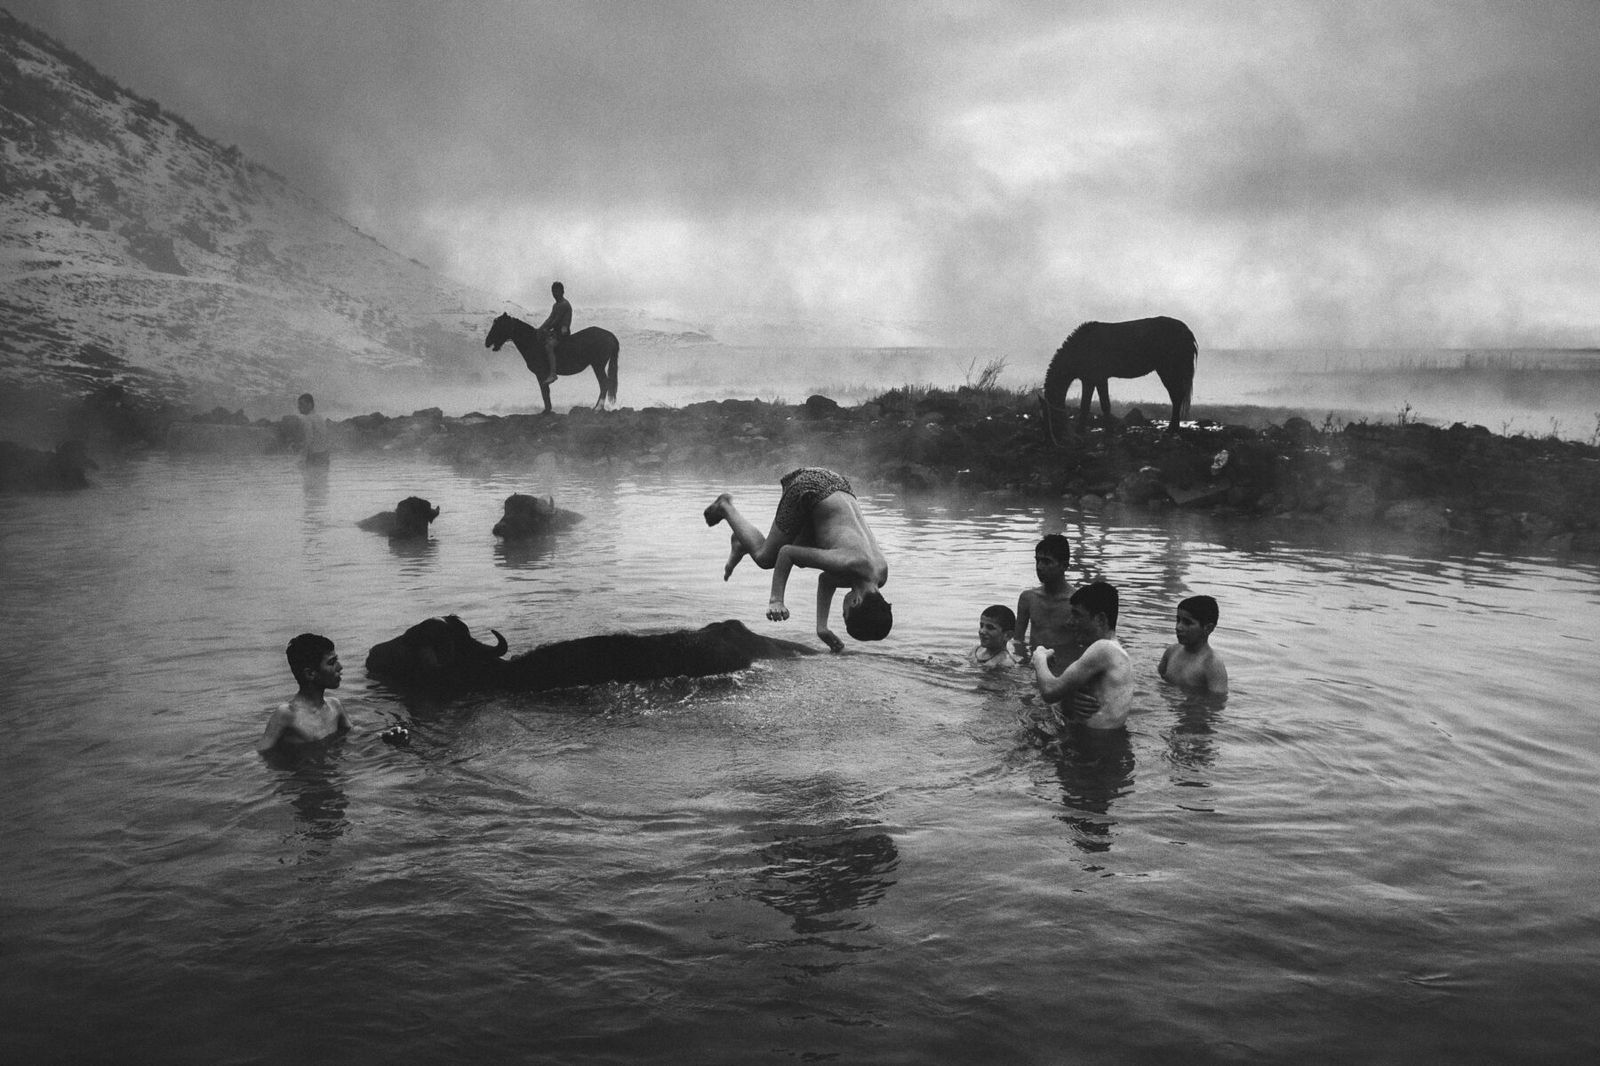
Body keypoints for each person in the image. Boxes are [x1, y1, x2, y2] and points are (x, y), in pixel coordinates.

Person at [704, 467, 891, 652]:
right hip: (809, 489)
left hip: (839, 487)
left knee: (802, 556)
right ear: (856, 602)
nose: (841, 610)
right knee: (767, 558)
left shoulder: (880, 574)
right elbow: (787, 553)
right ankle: (725, 507)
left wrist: (822, 628)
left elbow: (826, 580)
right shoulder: (848, 562)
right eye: (844, 613)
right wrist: (776, 600)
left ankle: (743, 540)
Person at [1029, 580, 1134, 731]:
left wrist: (1039, 656)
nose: (1070, 622)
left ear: (1100, 619)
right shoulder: (1115, 651)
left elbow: (1050, 691)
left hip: (1094, 748)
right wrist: (1067, 699)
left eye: (1077, 615)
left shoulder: (1103, 649)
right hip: (1100, 744)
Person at [257, 634, 351, 752]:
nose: (340, 667)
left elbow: (355, 735)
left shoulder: (335, 706)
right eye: (332, 662)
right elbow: (260, 753)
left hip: (333, 768)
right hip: (304, 768)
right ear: (310, 674)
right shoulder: (287, 714)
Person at [1012, 534, 1077, 662]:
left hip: (1065, 666)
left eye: (1047, 562)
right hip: (1035, 664)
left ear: (1064, 565)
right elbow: (1018, 640)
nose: (1039, 567)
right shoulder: (1028, 598)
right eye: (1038, 560)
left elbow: (1087, 644)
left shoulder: (1077, 602)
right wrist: (1023, 665)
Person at [1158, 594, 1229, 694]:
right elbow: (1158, 681)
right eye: (1178, 620)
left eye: (1187, 623)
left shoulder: (1212, 665)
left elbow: (1217, 703)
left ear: (1208, 628)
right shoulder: (1171, 652)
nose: (1178, 627)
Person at [537, 281, 572, 387]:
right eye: (553, 291)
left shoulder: (564, 304)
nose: (554, 294)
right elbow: (550, 318)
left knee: (549, 346)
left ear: (562, 292)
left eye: (556, 291)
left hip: (563, 332)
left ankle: (553, 373)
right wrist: (540, 328)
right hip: (556, 331)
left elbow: (556, 321)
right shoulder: (555, 305)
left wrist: (546, 329)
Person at [972, 604, 1021, 669]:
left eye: (990, 628)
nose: (982, 631)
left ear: (1008, 635)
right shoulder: (976, 649)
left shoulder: (1005, 663)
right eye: (981, 626)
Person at [296, 393, 330, 466]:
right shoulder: (320, 418)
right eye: (299, 404)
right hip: (325, 455)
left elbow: (309, 439)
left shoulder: (307, 419)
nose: (298, 407)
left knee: (310, 476)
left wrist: (303, 459)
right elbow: (325, 438)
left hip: (314, 456)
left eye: (301, 404)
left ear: (310, 405)